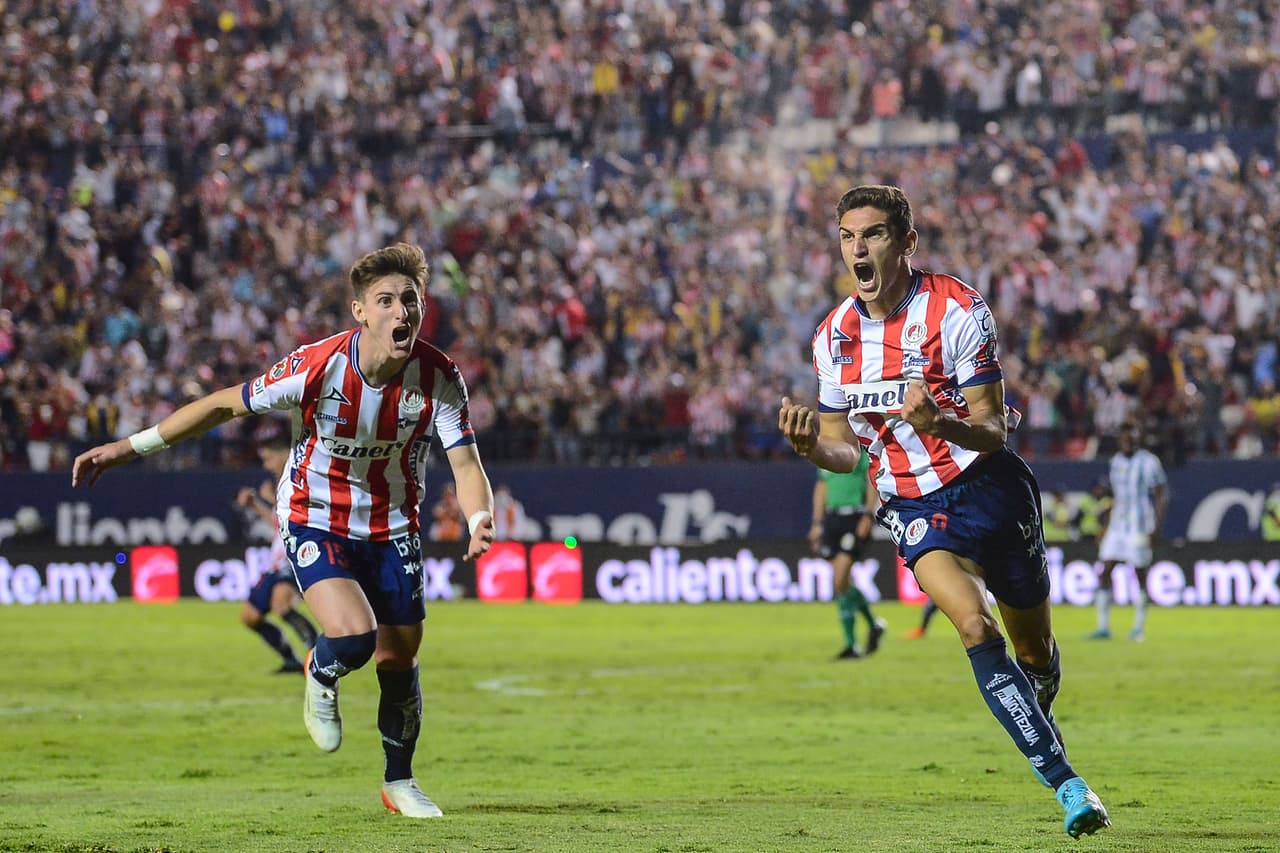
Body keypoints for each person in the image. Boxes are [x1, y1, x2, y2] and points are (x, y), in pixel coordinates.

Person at [72, 243, 496, 819]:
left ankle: (400, 782)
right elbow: (223, 406)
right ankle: (319, 666)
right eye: (386, 301)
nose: (403, 311)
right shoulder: (316, 367)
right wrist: (128, 447)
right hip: (314, 514)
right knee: (355, 638)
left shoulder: (440, 376)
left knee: (400, 658)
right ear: (360, 311)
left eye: (410, 300)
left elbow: (466, 464)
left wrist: (478, 518)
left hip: (394, 525)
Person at [777, 185, 1109, 839]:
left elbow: (992, 429)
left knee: (1035, 653)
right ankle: (1069, 784)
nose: (857, 249)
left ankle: (1037, 701)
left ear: (906, 242)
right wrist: (811, 446)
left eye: (872, 234)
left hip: (990, 488)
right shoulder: (834, 337)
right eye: (847, 237)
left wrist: (940, 424)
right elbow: (846, 451)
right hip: (912, 501)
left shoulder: (956, 309)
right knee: (973, 625)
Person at [234, 429, 318, 674]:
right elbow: (278, 522)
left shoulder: (302, 477)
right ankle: (291, 660)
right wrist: (256, 505)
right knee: (250, 617)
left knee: (282, 606)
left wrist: (270, 500)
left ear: (284, 454)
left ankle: (316, 660)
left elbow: (304, 516)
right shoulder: (280, 484)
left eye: (269, 458)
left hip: (295, 558)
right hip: (275, 563)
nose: (266, 464)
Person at [1089, 417, 1167, 642]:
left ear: (1138, 436)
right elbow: (1116, 497)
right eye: (1124, 433)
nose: (1128, 437)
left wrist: (1156, 527)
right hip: (1117, 525)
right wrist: (1105, 527)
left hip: (1139, 525)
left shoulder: (1149, 461)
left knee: (1140, 574)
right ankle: (1103, 627)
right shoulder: (1115, 461)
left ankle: (1138, 628)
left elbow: (1161, 494)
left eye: (1132, 432)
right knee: (1105, 570)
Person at [809, 463, 886, 659]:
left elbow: (871, 479)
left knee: (839, 581)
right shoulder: (825, 453)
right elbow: (821, 485)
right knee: (842, 583)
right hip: (831, 519)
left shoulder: (858, 453)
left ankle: (852, 645)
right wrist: (817, 522)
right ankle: (873, 625)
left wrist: (868, 515)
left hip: (854, 517)